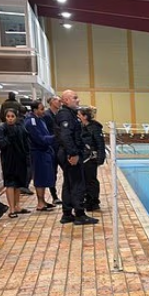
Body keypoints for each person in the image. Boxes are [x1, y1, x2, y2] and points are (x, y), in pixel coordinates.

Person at [56, 89, 98, 226]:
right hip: (69, 154)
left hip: (67, 152)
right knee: (77, 183)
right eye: (75, 98)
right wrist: (73, 154)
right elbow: (65, 136)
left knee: (69, 183)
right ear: (66, 100)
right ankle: (79, 214)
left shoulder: (70, 114)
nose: (78, 100)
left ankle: (67, 213)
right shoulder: (65, 115)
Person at [24, 101, 57, 212]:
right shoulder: (31, 122)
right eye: (41, 109)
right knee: (39, 177)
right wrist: (54, 138)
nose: (44, 111)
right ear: (35, 110)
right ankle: (40, 203)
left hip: (44, 151)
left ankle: (42, 201)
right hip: (38, 152)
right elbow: (39, 139)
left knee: (44, 177)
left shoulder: (40, 120)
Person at [0, 109, 31, 218]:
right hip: (8, 159)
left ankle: (17, 206)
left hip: (20, 158)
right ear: (5, 117)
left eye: (12, 116)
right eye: (8, 116)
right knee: (10, 183)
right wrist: (10, 137)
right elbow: (2, 143)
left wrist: (27, 155)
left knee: (18, 183)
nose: (10, 119)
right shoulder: (2, 129)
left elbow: (25, 142)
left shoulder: (20, 128)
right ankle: (11, 208)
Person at [78, 106, 106, 212]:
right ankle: (87, 199)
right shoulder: (81, 126)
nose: (78, 116)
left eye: (79, 115)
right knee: (84, 180)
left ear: (85, 117)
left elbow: (100, 144)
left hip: (91, 158)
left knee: (91, 180)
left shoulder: (95, 127)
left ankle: (94, 202)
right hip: (83, 158)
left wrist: (100, 158)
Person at [43, 95, 62, 204]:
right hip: (51, 147)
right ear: (51, 102)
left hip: (61, 146)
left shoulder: (60, 114)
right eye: (57, 100)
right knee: (52, 172)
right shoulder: (46, 115)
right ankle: (54, 196)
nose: (59, 102)